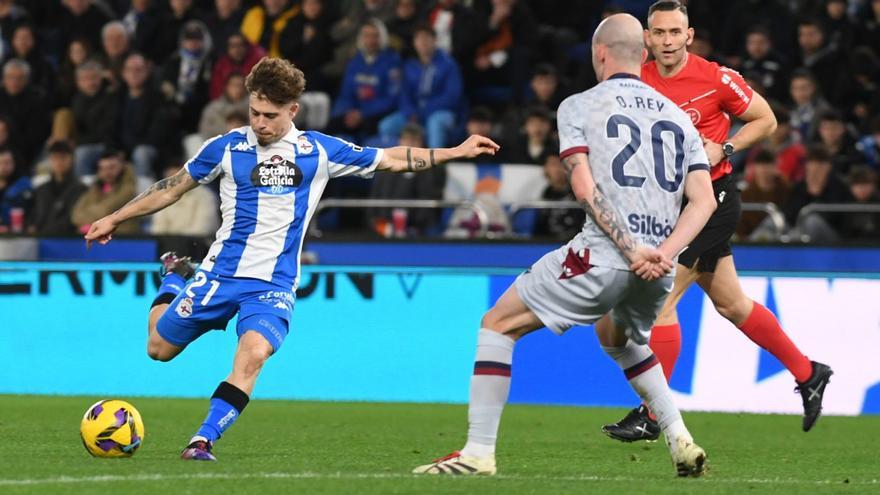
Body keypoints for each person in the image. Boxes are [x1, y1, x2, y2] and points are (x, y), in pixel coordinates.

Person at [83, 57, 499, 461]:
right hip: (221, 274)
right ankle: (174, 276)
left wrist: (454, 151)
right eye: (254, 113)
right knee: (158, 348)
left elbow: (390, 157)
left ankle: (202, 440)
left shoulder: (318, 150)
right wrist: (114, 218)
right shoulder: (226, 148)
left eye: (270, 115)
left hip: (272, 285)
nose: (260, 123)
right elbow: (171, 187)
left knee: (253, 355)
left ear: (293, 111)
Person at [413, 13, 716, 478]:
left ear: (600, 53)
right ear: (645, 54)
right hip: (659, 267)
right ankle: (680, 440)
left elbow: (582, 186)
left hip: (606, 254)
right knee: (619, 337)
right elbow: (704, 200)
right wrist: (662, 253)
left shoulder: (579, 106)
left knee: (497, 325)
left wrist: (631, 250)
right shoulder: (678, 117)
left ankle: (476, 453)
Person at [600, 1, 833, 444]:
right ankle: (809, 372)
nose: (668, 41)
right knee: (732, 304)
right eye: (659, 33)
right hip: (669, 208)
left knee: (662, 300)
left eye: (676, 32)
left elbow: (766, 119)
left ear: (689, 36)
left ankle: (653, 414)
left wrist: (724, 148)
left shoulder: (716, 78)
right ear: (647, 38)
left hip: (713, 202)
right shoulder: (634, 81)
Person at [29, 140, 87, 235]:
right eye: (55, 158)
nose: (59, 162)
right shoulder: (42, 189)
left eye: (63, 158)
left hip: (65, 239)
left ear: (72, 159)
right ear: (50, 160)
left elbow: (72, 219)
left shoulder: (80, 189)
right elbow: (34, 216)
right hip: (39, 239)